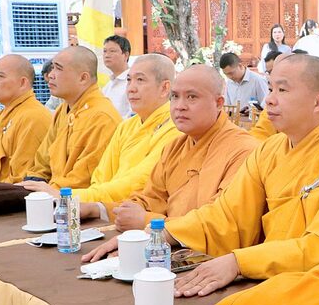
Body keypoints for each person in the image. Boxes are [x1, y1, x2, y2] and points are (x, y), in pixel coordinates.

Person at [155, 54, 319, 297]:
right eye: (270, 88)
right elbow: (227, 215)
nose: (269, 100)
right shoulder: (269, 150)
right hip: (276, 276)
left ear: (318, 102)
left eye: (282, 90)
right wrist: (165, 233)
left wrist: (239, 262)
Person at [79, 65, 258, 231]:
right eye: (175, 96)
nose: (180, 106)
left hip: (209, 257)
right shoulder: (174, 148)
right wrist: (98, 208)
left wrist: (148, 221)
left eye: (192, 97)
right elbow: (149, 200)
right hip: (165, 244)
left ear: (219, 103)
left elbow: (220, 222)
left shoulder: (243, 150)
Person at [22, 54, 177, 205]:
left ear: (164, 88)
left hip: (137, 213)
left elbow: (140, 181)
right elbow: (100, 176)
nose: (131, 88)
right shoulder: (126, 126)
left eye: (140, 80)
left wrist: (66, 195)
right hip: (98, 204)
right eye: (129, 80)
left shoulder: (174, 129)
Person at [22, 46, 122, 188]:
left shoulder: (102, 117)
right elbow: (42, 161)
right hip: (51, 191)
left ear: (83, 78)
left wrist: (48, 191)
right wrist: (32, 183)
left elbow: (84, 178)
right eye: (52, 68)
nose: (51, 75)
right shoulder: (62, 110)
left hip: (77, 201)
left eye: (58, 68)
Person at [0, 55, 51, 183]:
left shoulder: (34, 117)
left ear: (22, 83)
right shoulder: (3, 114)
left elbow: (23, 177)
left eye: (0, 76)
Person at [100, 35, 132, 118]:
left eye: (112, 51)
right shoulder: (107, 86)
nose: (107, 55)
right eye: (105, 51)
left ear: (125, 55)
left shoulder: (132, 83)